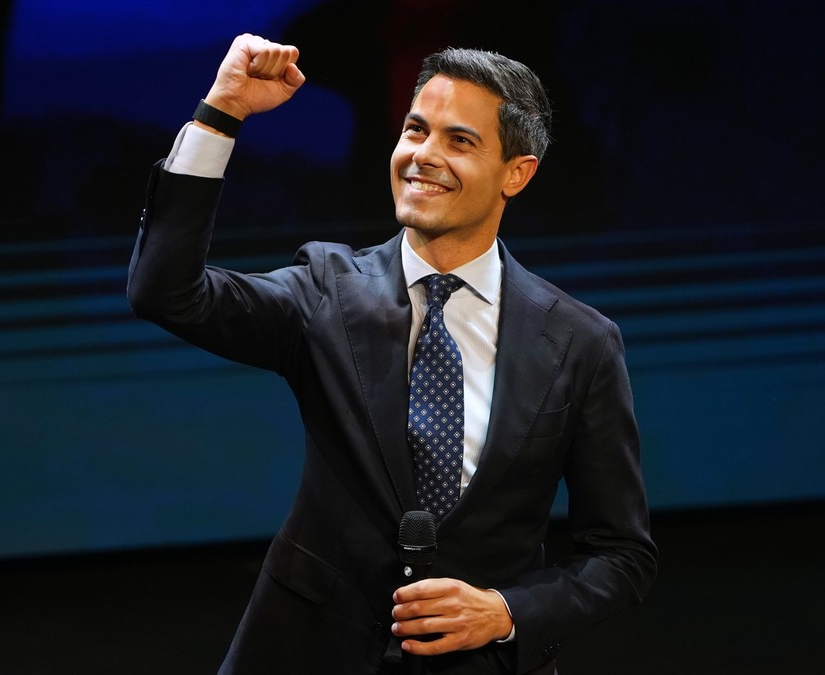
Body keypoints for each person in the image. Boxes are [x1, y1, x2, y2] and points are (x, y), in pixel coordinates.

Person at [128, 33, 656, 675]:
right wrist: (222, 112)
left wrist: (506, 611)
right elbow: (166, 292)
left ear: (516, 173)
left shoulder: (580, 341)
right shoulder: (326, 290)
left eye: (460, 141)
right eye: (415, 129)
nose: (423, 155)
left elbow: (621, 557)